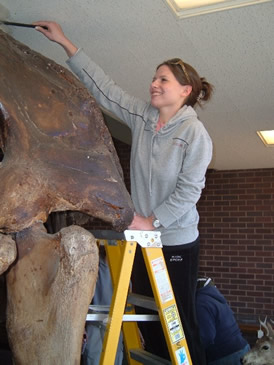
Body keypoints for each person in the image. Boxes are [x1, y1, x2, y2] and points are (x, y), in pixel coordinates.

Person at [34, 21, 214, 365]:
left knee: (177, 321)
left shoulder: (194, 133)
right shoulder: (144, 117)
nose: (154, 84)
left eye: (164, 79)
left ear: (185, 90)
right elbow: (106, 89)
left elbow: (190, 190)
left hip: (175, 240)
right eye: (154, 77)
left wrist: (154, 219)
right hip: (144, 239)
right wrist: (65, 43)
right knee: (152, 322)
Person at [196, 277, 250, 365]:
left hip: (223, 355)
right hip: (241, 348)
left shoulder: (201, 302)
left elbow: (207, 337)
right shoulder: (216, 297)